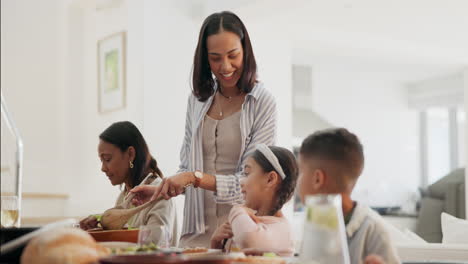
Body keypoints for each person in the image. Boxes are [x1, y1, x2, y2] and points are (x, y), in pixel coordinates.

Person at [130, 11, 277, 247]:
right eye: (215, 58)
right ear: (204, 58)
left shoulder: (262, 103)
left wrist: (194, 178)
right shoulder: (197, 101)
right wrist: (162, 190)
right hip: (195, 236)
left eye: (233, 55)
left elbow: (253, 183)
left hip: (239, 234)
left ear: (245, 52)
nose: (225, 66)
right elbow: (187, 168)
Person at [298, 128, 400, 264]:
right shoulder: (317, 222)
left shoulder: (375, 232)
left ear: (317, 179)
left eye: (300, 171)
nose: (297, 181)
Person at [79, 121, 179, 246]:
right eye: (101, 161)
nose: (103, 168)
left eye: (107, 159)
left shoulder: (160, 194)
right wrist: (96, 230)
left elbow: (153, 247)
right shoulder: (123, 197)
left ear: (130, 154)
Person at [210, 144, 298, 256]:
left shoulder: (283, 229)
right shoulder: (247, 223)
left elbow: (250, 242)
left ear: (270, 179)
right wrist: (216, 245)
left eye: (247, 173)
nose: (241, 182)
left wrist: (237, 210)